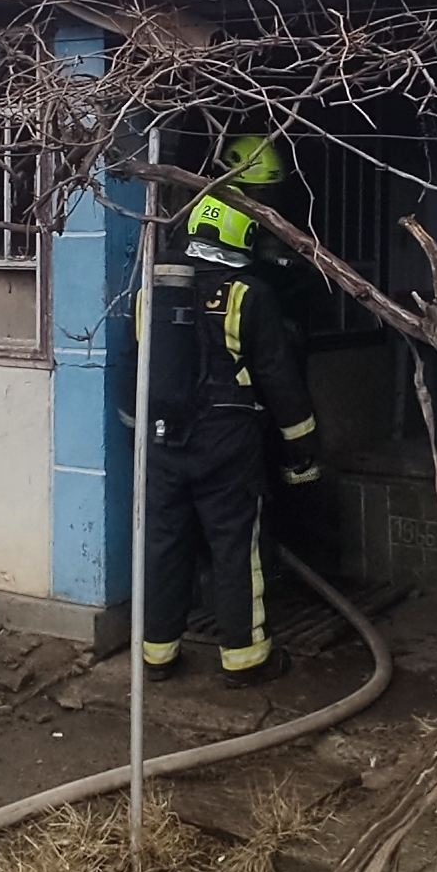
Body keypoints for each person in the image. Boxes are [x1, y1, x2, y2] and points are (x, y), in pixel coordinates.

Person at [140, 135, 323, 688]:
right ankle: (245, 659)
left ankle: (157, 654)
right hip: (226, 440)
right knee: (235, 546)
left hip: (163, 439)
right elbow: (280, 380)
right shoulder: (249, 294)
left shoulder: (153, 291)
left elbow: (140, 367)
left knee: (164, 542)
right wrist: (302, 450)